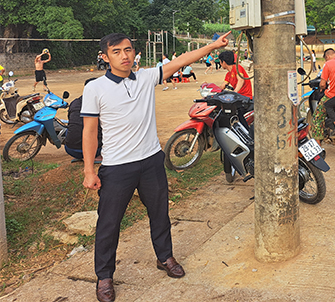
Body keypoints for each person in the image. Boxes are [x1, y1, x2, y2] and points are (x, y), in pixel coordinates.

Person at [81, 31, 231, 302]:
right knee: (109, 223)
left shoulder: (147, 77)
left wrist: (213, 45)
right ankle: (104, 276)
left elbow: (182, 60)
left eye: (127, 50)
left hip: (151, 161)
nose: (124, 56)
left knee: (160, 213)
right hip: (116, 167)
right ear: (105, 57)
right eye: (116, 52)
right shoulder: (95, 88)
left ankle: (165, 257)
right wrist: (89, 170)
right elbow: (89, 132)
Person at [312, 49, 335, 144]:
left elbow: (323, 84)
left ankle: (317, 144)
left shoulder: (328, 64)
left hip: (333, 95)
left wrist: (321, 87)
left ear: (327, 57)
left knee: (317, 117)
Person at [64, 78, 103, 162]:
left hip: (70, 150)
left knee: (72, 126)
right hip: (95, 150)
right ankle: (97, 156)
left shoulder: (74, 102)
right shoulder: (101, 103)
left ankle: (79, 156)